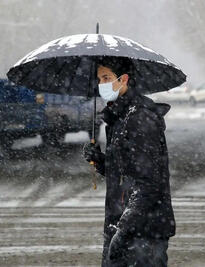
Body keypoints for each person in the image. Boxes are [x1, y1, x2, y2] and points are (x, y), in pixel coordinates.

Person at [83, 57, 175, 267]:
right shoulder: (120, 118)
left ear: (123, 79)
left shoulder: (140, 119)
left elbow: (149, 183)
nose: (101, 84)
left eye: (106, 78)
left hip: (143, 233)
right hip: (123, 226)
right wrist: (99, 160)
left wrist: (124, 230)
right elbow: (126, 173)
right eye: (99, 79)